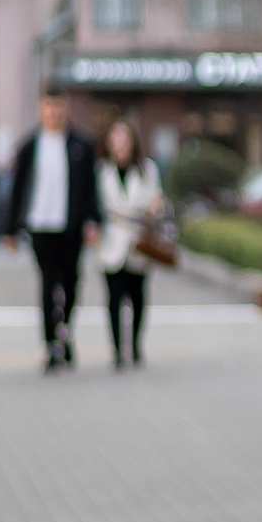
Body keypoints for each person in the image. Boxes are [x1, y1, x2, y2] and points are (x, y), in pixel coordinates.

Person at [4, 92, 100, 372]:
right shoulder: (30, 146)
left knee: (71, 284)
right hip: (39, 225)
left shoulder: (80, 145)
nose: (53, 112)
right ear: (40, 108)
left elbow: (89, 188)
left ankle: (65, 331)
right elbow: (18, 189)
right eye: (48, 106)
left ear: (65, 108)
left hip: (70, 226)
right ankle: (50, 343)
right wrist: (10, 229)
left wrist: (93, 220)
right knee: (47, 284)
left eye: (58, 106)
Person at [94, 119, 166, 368]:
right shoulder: (101, 170)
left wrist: (156, 207)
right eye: (116, 139)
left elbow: (157, 199)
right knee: (114, 298)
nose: (120, 145)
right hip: (112, 239)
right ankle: (116, 350)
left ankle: (135, 344)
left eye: (125, 139)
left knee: (137, 297)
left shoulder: (148, 169)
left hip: (138, 237)